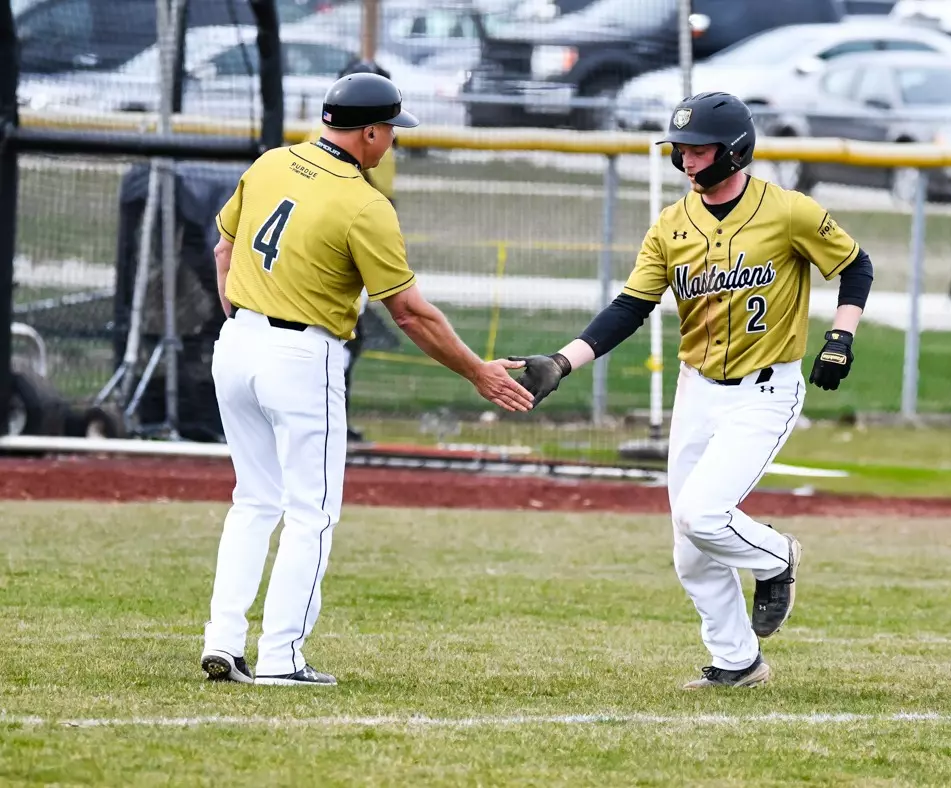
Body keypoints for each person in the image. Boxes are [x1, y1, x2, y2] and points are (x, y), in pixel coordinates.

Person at [509, 92, 874, 690]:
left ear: (734, 151)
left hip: (764, 391)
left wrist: (840, 336)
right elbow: (629, 308)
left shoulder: (789, 212)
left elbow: (856, 265)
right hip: (697, 390)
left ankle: (777, 557)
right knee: (689, 548)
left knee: (704, 515)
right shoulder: (673, 224)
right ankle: (738, 662)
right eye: (679, 150)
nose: (685, 162)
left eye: (698, 150)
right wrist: (563, 362)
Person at [200, 72, 533, 687]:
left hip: (237, 344)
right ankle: (280, 658)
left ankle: (223, 640)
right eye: (390, 133)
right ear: (370, 132)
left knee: (253, 501)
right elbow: (409, 312)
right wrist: (478, 372)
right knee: (312, 513)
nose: (392, 144)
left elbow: (223, 248)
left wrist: (239, 315)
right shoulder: (363, 202)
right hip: (301, 358)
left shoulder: (272, 162)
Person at [309, 58, 399, 443]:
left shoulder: (298, 147)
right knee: (340, 338)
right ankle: (331, 422)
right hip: (341, 249)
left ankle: (333, 421)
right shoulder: (362, 143)